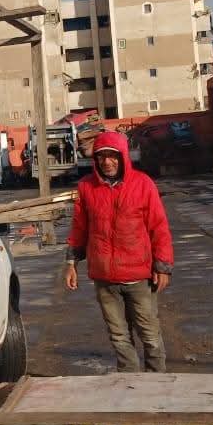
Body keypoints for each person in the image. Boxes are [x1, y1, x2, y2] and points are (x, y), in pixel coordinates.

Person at [63, 130, 174, 372]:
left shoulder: (143, 185)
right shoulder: (86, 187)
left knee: (150, 335)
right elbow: (80, 227)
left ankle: (158, 383)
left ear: (123, 156)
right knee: (119, 337)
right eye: (102, 156)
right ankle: (129, 383)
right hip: (104, 279)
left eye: (112, 156)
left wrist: (163, 266)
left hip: (140, 278)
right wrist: (71, 263)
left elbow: (159, 227)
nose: (107, 162)